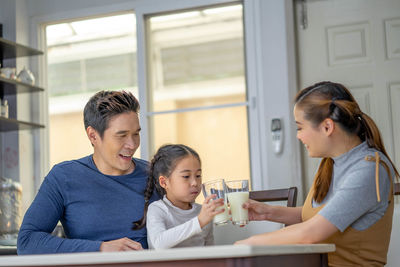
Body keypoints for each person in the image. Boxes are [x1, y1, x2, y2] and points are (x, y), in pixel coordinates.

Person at [235, 81, 399, 266]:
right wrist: (268, 212)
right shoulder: (330, 163)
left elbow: (311, 233)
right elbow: (322, 217)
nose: (298, 136)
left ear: (327, 127)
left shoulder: (370, 170)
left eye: (300, 127)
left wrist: (247, 244)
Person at [17, 90, 159, 254]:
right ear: (93, 136)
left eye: (136, 134)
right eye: (122, 135)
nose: (132, 144)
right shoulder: (63, 177)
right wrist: (100, 248)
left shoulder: (155, 176)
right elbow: (27, 241)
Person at [133, 144, 224, 249]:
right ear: (164, 182)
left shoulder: (202, 212)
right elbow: (158, 243)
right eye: (186, 176)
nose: (195, 182)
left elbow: (210, 250)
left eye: (198, 176)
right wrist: (199, 222)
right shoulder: (158, 209)